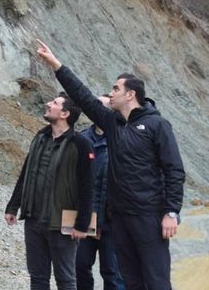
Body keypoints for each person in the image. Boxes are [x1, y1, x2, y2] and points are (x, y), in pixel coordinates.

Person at [35, 39, 185, 290]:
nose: (111, 92)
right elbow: (84, 98)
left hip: (149, 217)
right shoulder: (114, 124)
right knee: (131, 281)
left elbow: (174, 170)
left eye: (116, 88)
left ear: (131, 94)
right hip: (120, 221)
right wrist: (56, 65)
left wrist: (171, 212)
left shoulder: (157, 125)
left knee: (157, 281)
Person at [5, 92, 95, 290]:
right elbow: (25, 174)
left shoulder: (80, 144)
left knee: (65, 279)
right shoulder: (40, 137)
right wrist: (13, 206)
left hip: (62, 224)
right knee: (37, 277)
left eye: (54, 103)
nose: (48, 104)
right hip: (34, 220)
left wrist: (82, 224)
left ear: (65, 114)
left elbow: (88, 187)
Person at [76, 95, 126, 290]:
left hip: (113, 223)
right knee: (78, 266)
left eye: (101, 105)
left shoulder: (122, 141)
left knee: (113, 273)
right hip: (84, 217)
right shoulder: (80, 139)